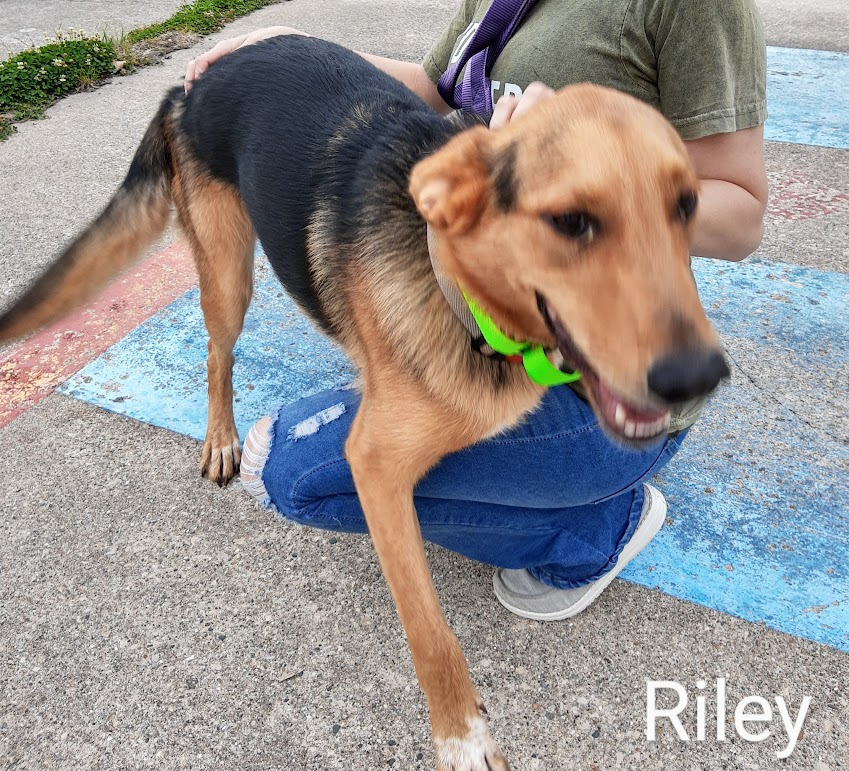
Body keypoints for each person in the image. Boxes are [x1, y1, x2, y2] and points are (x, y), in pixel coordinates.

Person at [184, 0, 768, 621]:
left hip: (599, 387)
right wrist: (297, 44)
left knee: (292, 471)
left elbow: (743, 212)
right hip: (497, 318)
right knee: (306, 454)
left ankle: (589, 533)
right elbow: (437, 86)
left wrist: (583, 180)